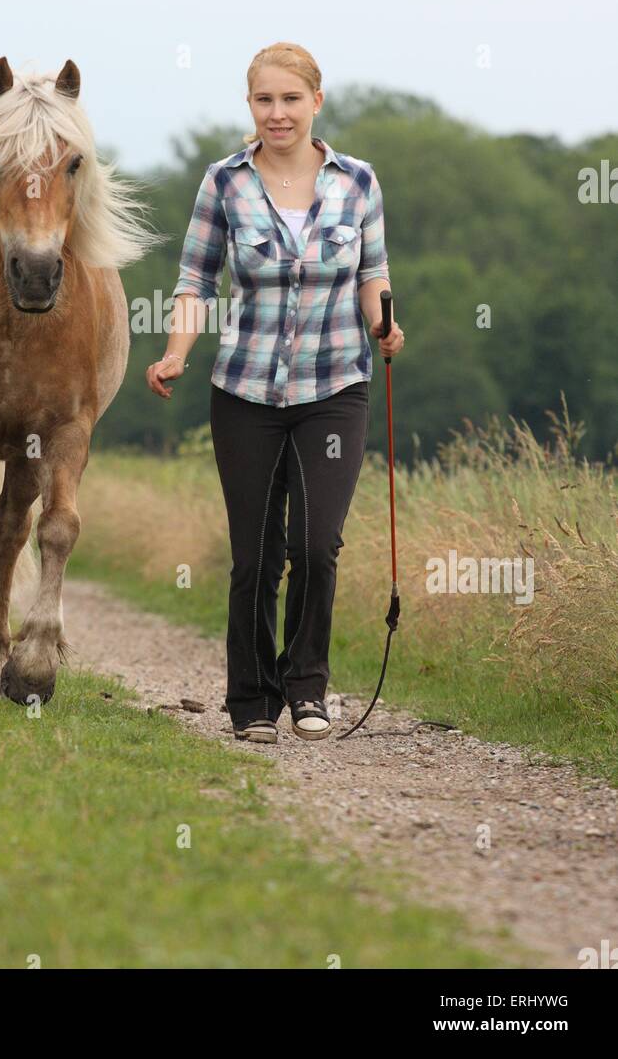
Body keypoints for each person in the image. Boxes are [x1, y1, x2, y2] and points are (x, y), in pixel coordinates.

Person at [146, 42, 405, 745]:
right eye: (265, 100)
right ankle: (251, 700)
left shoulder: (357, 182)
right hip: (246, 391)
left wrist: (386, 324)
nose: (278, 113)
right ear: (250, 106)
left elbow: (371, 272)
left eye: (291, 99)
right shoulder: (224, 182)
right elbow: (196, 281)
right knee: (257, 556)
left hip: (334, 388)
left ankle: (307, 687)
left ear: (316, 102)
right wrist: (175, 354)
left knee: (317, 547)